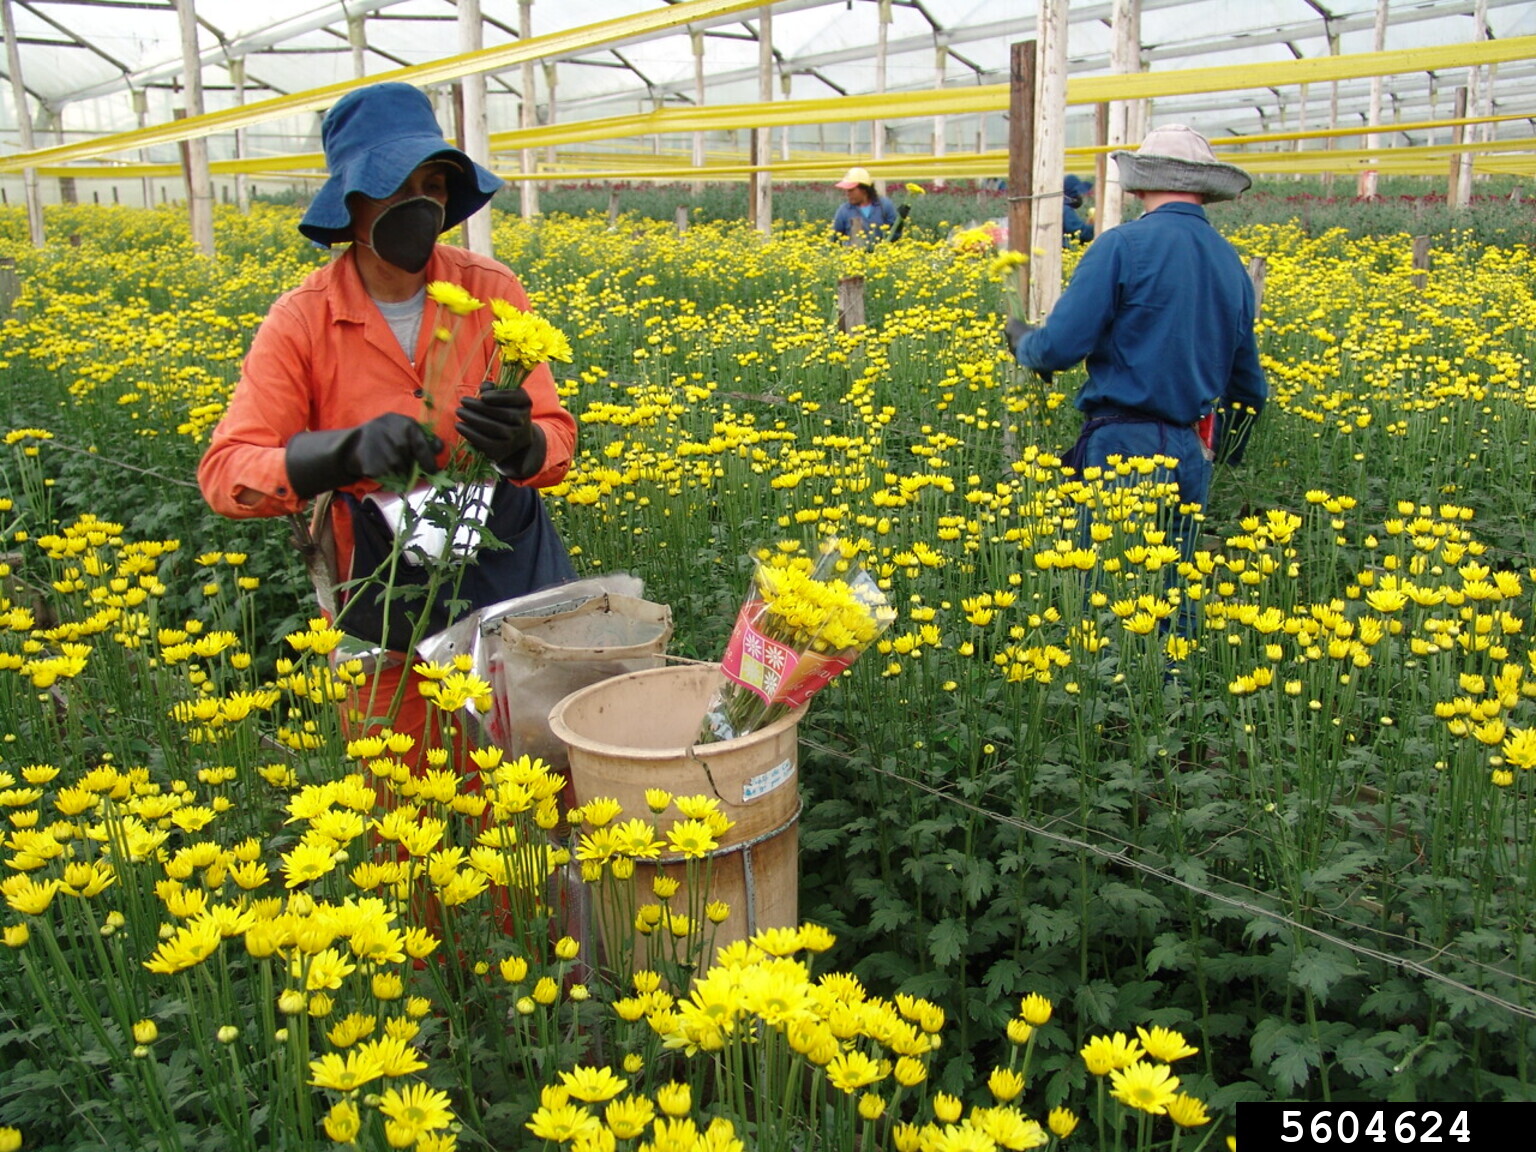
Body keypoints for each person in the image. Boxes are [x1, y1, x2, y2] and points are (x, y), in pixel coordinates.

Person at [198, 81, 577, 764]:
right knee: (403, 808)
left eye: (434, 182)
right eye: (397, 184)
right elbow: (227, 474)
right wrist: (338, 454)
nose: (422, 202)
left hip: (503, 600)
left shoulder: (491, 290)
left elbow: (557, 438)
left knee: (523, 797)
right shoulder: (303, 319)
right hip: (381, 608)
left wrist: (524, 445)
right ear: (352, 202)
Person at [1004, 124, 1267, 578]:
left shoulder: (1122, 245)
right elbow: (1249, 388)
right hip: (1189, 449)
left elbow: (1060, 348)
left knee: (1108, 604)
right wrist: (1224, 452)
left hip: (1122, 445)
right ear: (1205, 191)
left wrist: (1025, 342)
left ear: (1140, 181)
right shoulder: (1231, 263)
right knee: (1171, 597)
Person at [831, 167, 900, 247]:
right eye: (846, 190)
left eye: (851, 190)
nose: (847, 193)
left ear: (864, 189)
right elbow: (835, 239)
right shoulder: (844, 211)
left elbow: (895, 234)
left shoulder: (885, 206)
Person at [1062, 174, 1094, 246]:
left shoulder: (1063, 208)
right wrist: (1097, 227)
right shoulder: (1066, 210)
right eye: (1078, 194)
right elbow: (1081, 232)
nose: (1080, 196)